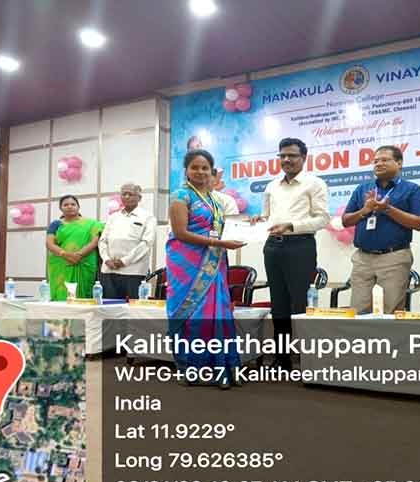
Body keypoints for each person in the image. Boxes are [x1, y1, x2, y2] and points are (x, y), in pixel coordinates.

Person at [167, 149, 246, 389]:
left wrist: (251, 224)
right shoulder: (181, 195)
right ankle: (193, 369)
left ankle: (222, 368)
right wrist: (220, 243)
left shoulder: (213, 199)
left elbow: (225, 227)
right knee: (193, 313)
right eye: (195, 167)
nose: (200, 172)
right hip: (186, 264)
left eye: (205, 168)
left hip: (213, 262)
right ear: (186, 170)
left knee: (217, 312)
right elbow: (180, 233)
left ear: (211, 172)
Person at [259, 138, 329, 370]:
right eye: (282, 156)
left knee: (299, 302)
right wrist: (258, 221)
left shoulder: (315, 183)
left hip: (300, 246)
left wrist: (291, 226)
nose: (286, 159)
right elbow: (266, 217)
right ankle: (282, 358)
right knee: (278, 304)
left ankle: (307, 360)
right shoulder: (271, 186)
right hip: (272, 247)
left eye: (292, 155)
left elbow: (322, 219)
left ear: (303, 158)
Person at [342, 145, 420, 313]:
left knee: (390, 310)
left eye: (385, 160)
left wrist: (387, 209)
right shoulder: (363, 189)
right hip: (362, 258)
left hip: (394, 257)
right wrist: (365, 210)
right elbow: (345, 221)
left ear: (399, 163)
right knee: (359, 310)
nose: (379, 164)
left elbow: (419, 223)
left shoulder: (412, 189)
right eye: (376, 161)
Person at [98, 183, 156, 300]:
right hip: (109, 270)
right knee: (109, 306)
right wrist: (107, 260)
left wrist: (124, 261)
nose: (127, 197)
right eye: (124, 194)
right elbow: (102, 241)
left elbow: (146, 243)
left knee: (134, 307)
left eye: (130, 194)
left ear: (139, 198)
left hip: (134, 271)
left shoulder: (148, 217)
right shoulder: (113, 217)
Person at [45, 195, 103, 300]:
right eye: (65, 205)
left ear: (78, 207)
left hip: (84, 263)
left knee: (84, 296)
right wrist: (65, 254)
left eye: (73, 204)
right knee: (62, 296)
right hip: (62, 264)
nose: (69, 207)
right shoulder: (56, 224)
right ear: (60, 208)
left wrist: (79, 255)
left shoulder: (92, 224)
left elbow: (94, 242)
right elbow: (50, 244)